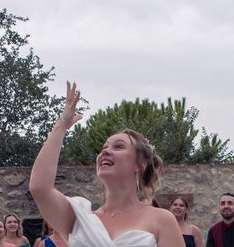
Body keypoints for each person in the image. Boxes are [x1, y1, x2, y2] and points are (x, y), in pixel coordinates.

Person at [29, 81, 184, 247]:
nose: (106, 151)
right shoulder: (79, 220)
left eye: (118, 146)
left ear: (140, 164)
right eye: (104, 147)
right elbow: (40, 188)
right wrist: (61, 125)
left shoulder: (161, 220)